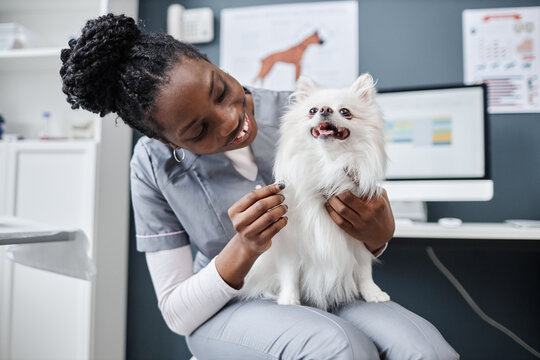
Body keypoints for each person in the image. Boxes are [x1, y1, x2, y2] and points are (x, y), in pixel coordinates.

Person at [60, 13, 459, 360]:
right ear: (168, 142)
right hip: (230, 305)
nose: (232, 118)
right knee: (341, 349)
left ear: (212, 62)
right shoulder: (151, 166)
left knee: (426, 352)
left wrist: (379, 232)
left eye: (220, 89)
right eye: (199, 129)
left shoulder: (306, 113)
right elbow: (177, 313)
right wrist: (244, 247)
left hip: (328, 284)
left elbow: (361, 228)